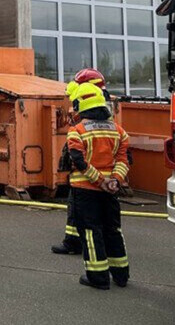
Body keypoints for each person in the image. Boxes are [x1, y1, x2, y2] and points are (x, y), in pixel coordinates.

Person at [65, 82, 131, 289]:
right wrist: (115, 181)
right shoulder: (119, 131)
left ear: (80, 106)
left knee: (91, 232)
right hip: (110, 191)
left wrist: (99, 181)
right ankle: (121, 274)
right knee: (113, 229)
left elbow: (79, 162)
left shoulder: (77, 131)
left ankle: (98, 277)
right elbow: (124, 160)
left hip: (85, 190)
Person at [52, 68, 110, 255]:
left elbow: (78, 145)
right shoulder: (105, 107)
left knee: (77, 208)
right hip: (107, 175)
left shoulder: (85, 113)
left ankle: (74, 243)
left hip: (86, 174)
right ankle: (98, 243)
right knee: (104, 213)